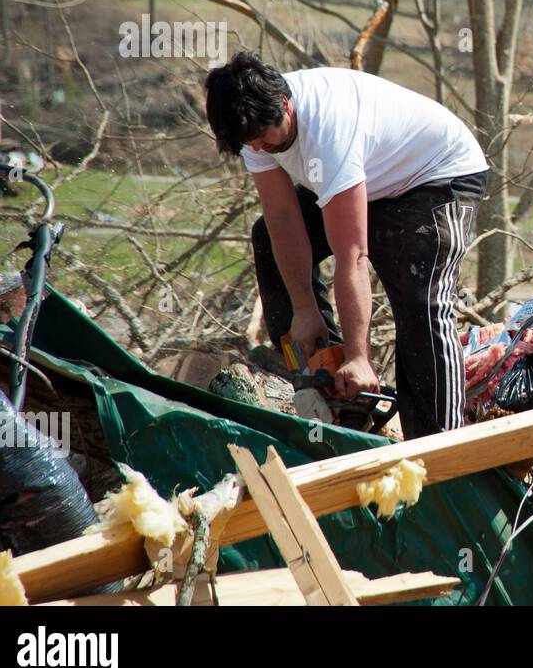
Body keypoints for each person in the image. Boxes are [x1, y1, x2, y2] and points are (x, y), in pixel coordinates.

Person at [204, 51, 488, 439]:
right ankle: (330, 382)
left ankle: (441, 442)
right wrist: (304, 309)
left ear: (285, 105)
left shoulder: (328, 132)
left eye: (266, 137)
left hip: (438, 176)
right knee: (267, 238)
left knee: (419, 297)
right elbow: (284, 220)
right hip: (376, 180)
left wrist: (360, 355)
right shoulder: (255, 130)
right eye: (251, 143)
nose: (261, 147)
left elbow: (351, 256)